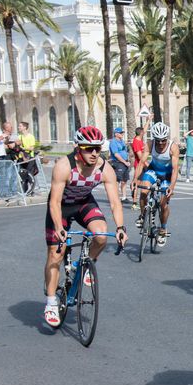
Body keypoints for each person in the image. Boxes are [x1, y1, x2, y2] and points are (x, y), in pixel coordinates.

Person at [42, 127, 128, 327]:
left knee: (101, 235)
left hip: (83, 203)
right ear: (78, 148)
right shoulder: (64, 166)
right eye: (89, 148)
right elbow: (54, 202)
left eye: (98, 148)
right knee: (56, 253)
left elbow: (115, 202)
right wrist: (59, 227)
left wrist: (121, 228)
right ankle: (51, 302)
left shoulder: (104, 168)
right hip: (61, 207)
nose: (94, 153)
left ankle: (83, 266)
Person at [135, 122, 180, 246]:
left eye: (163, 140)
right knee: (143, 191)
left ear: (167, 138)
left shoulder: (173, 147)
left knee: (163, 205)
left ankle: (163, 228)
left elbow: (175, 169)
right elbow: (141, 162)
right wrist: (135, 180)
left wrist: (171, 187)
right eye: (158, 140)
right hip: (153, 171)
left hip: (167, 175)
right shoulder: (150, 144)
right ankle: (143, 216)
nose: (160, 143)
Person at [108, 127, 131, 208]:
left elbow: (125, 151)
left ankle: (124, 197)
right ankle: (116, 198)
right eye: (121, 133)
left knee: (124, 180)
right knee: (117, 181)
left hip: (125, 162)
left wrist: (127, 160)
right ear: (116, 134)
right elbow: (116, 154)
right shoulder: (113, 142)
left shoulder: (122, 141)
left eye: (122, 133)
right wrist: (124, 162)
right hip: (118, 163)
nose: (122, 134)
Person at [130, 126, 145, 205]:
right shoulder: (136, 142)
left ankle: (141, 201)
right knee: (137, 183)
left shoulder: (140, 139)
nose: (144, 132)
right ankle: (134, 203)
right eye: (143, 132)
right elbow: (140, 157)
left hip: (143, 164)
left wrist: (149, 121)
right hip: (139, 165)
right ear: (141, 133)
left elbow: (144, 129)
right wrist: (147, 164)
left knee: (142, 183)